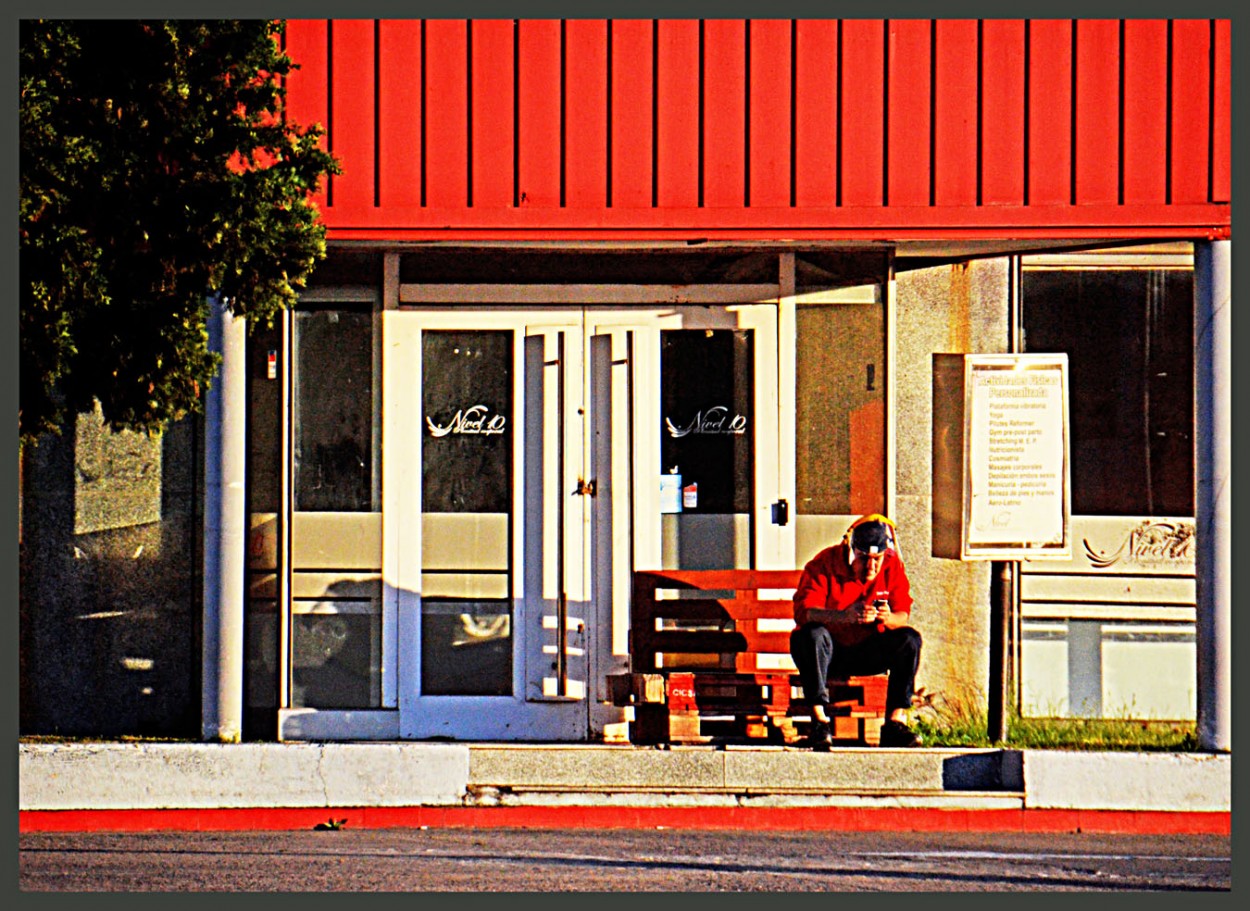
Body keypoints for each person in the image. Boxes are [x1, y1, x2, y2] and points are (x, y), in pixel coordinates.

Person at [790, 514, 922, 749]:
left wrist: (887, 618)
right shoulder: (824, 564)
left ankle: (894, 722)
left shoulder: (892, 565)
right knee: (811, 635)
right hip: (830, 654)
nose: (871, 566)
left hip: (867, 650)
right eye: (863, 558)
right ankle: (820, 720)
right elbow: (804, 613)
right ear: (851, 552)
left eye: (877, 559)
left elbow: (903, 614)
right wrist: (843, 616)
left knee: (909, 639)